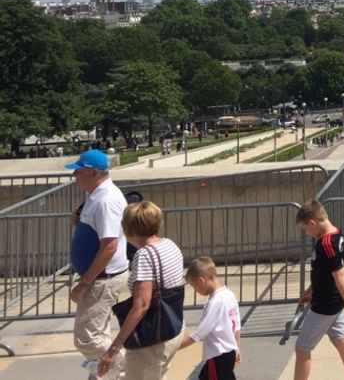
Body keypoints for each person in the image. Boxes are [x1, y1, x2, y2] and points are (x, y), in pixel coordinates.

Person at [97, 201, 185, 380]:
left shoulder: (144, 255)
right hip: (173, 328)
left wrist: (113, 349)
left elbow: (141, 306)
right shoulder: (170, 245)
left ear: (129, 229)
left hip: (152, 339)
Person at [65, 148, 129, 380]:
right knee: (99, 331)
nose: (74, 176)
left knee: (87, 337)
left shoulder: (105, 201)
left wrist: (85, 282)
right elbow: (99, 235)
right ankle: (103, 375)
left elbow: (109, 246)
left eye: (78, 171)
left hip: (102, 279)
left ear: (93, 173)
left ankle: (126, 365)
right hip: (100, 277)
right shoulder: (96, 196)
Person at [294, 199, 344, 380]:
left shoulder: (326, 244)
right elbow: (322, 270)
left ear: (312, 223)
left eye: (305, 229)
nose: (307, 233)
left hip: (325, 306)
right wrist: (311, 289)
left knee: (302, 349)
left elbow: (339, 276)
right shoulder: (336, 234)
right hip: (333, 301)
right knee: (342, 341)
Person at [177, 257, 241, 379]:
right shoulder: (229, 295)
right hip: (229, 352)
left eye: (193, 286)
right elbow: (237, 326)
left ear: (201, 281)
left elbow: (198, 333)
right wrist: (237, 348)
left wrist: (173, 348)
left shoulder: (215, 303)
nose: (196, 291)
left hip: (218, 355)